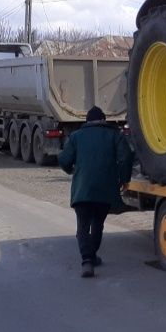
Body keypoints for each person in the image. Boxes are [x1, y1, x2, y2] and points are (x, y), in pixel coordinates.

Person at [58, 106, 134, 278]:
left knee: (83, 226)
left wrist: (71, 170)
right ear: (103, 120)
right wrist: (124, 179)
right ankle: (91, 256)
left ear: (87, 122)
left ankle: (87, 260)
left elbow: (63, 159)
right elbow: (126, 157)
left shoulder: (76, 137)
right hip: (105, 190)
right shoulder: (115, 135)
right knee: (98, 223)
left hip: (82, 191)